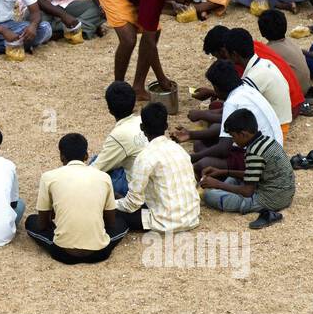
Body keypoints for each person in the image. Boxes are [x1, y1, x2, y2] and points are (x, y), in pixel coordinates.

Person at [94, 0, 198, 98]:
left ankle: (137, 87)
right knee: (128, 39)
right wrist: (161, 77)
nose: (186, 4)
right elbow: (148, 41)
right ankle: (117, 90)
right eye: (186, 0)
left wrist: (170, 4)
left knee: (155, 32)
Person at [25, 133, 126, 265]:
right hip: (99, 253)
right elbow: (111, 223)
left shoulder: (48, 177)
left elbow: (43, 224)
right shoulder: (103, 177)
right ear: (86, 156)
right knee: (122, 221)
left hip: (63, 253)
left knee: (31, 221)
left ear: (61, 157)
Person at [174, 60, 282, 176]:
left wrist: (192, 158)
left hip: (263, 160)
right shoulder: (247, 89)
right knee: (200, 144)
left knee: (203, 164)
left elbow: (223, 149)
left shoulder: (233, 102)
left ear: (217, 87)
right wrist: (191, 135)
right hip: (275, 147)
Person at [200, 109, 295, 230]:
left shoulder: (254, 152)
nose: (233, 141)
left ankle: (220, 191)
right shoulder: (265, 140)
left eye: (233, 136)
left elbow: (247, 191)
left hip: (272, 200)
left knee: (209, 196)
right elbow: (253, 174)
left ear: (244, 134)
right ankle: (223, 189)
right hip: (283, 192)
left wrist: (218, 184)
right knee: (232, 177)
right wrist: (223, 171)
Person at [118, 103, 201, 233]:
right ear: (166, 126)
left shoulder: (145, 157)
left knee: (115, 212)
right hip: (192, 217)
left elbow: (132, 204)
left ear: (142, 127)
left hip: (165, 223)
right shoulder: (179, 149)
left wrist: (113, 203)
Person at [223, 28, 296, 135]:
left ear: (234, 55)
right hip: (282, 123)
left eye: (227, 54)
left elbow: (238, 111)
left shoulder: (254, 76)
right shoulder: (263, 63)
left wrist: (205, 115)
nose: (226, 58)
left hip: (275, 130)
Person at [92, 81, 147, 197]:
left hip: (141, 192)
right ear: (134, 103)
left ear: (110, 109)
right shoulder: (142, 120)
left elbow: (94, 170)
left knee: (95, 169)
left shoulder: (118, 135)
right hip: (151, 181)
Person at [257, 9, 312, 96]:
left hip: (295, 93)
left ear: (262, 32)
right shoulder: (290, 42)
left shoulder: (268, 51)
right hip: (306, 86)